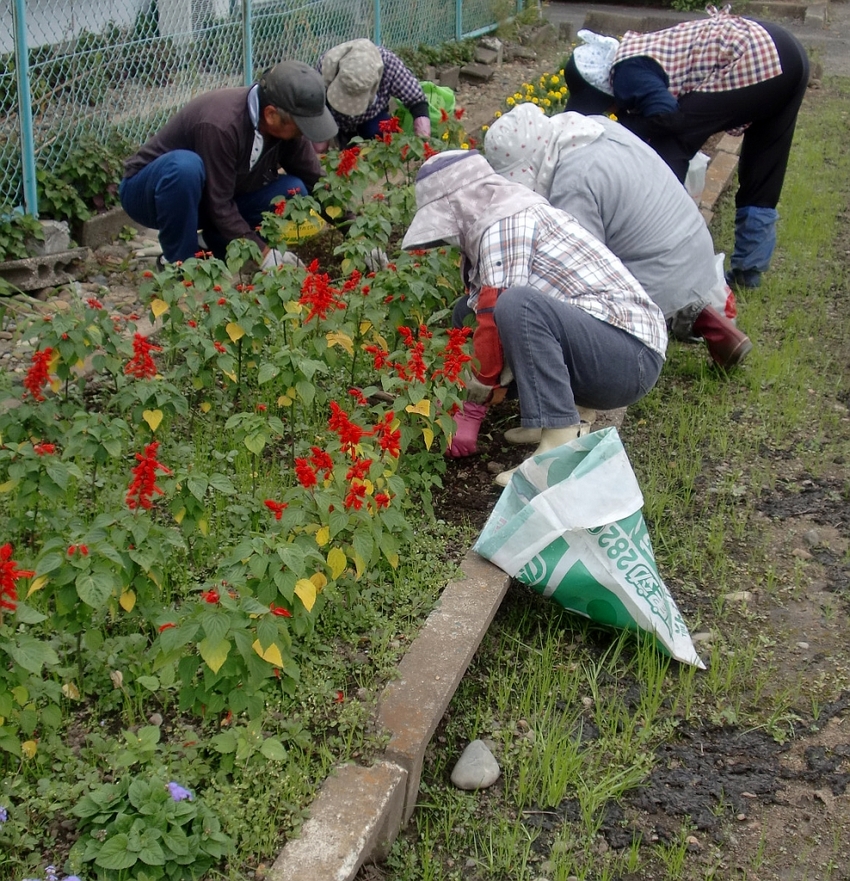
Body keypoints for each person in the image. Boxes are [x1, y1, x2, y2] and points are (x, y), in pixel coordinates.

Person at [401, 150, 667, 486]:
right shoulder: (502, 219)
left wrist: (474, 402)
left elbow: (498, 315)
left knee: (517, 305)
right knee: (465, 313)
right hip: (611, 351)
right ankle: (549, 417)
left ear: (461, 206)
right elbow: (484, 317)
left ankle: (557, 446)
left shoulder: (504, 223)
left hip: (629, 359)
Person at [482, 102, 751, 374]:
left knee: (579, 316)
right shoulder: (589, 128)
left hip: (661, 268)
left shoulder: (572, 182)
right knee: (637, 252)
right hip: (689, 244)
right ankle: (712, 324)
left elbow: (574, 270)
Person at [564, 10, 810, 290]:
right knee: (764, 165)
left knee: (674, 142)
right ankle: (748, 271)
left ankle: (663, 246)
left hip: (758, 57)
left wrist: (622, 129)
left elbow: (667, 117)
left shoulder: (626, 70)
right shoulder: (637, 52)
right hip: (787, 53)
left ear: (595, 93)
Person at [120, 61, 338, 266]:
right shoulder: (222, 124)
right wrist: (263, 254)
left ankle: (209, 245)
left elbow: (315, 181)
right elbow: (219, 203)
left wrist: (357, 232)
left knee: (293, 190)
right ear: (271, 115)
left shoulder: (286, 130)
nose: (303, 133)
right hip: (150, 194)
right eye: (300, 126)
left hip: (210, 197)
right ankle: (179, 264)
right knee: (185, 168)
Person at [315, 39, 431, 148]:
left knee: (381, 136)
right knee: (327, 147)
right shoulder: (327, 66)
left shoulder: (389, 63)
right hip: (337, 119)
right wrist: (319, 138)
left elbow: (416, 100)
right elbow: (315, 109)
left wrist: (423, 141)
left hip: (372, 117)